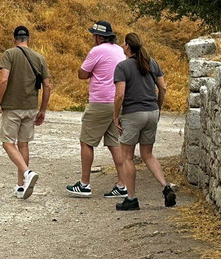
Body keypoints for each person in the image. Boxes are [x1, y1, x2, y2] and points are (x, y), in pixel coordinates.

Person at [112, 31, 176, 211]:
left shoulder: (122, 67)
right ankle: (165, 187)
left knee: (127, 157)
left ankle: (131, 198)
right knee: (148, 154)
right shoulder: (152, 63)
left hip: (133, 114)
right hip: (152, 112)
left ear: (127, 46)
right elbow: (162, 88)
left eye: (124, 44)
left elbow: (120, 95)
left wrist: (116, 116)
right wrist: (158, 107)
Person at [66, 21, 130, 199]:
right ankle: (122, 185)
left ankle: (84, 184)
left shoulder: (97, 51)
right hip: (116, 101)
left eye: (94, 35)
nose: (93, 38)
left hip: (100, 101)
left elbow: (82, 73)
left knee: (86, 141)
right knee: (114, 144)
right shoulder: (119, 50)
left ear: (99, 37)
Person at [0, 25, 52, 199]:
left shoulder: (9, 54)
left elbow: (3, 80)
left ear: (14, 39)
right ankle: (21, 186)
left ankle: (27, 173)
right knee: (23, 144)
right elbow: (47, 85)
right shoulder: (39, 58)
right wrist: (42, 110)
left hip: (12, 107)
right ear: (28, 38)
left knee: (7, 143)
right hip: (31, 107)